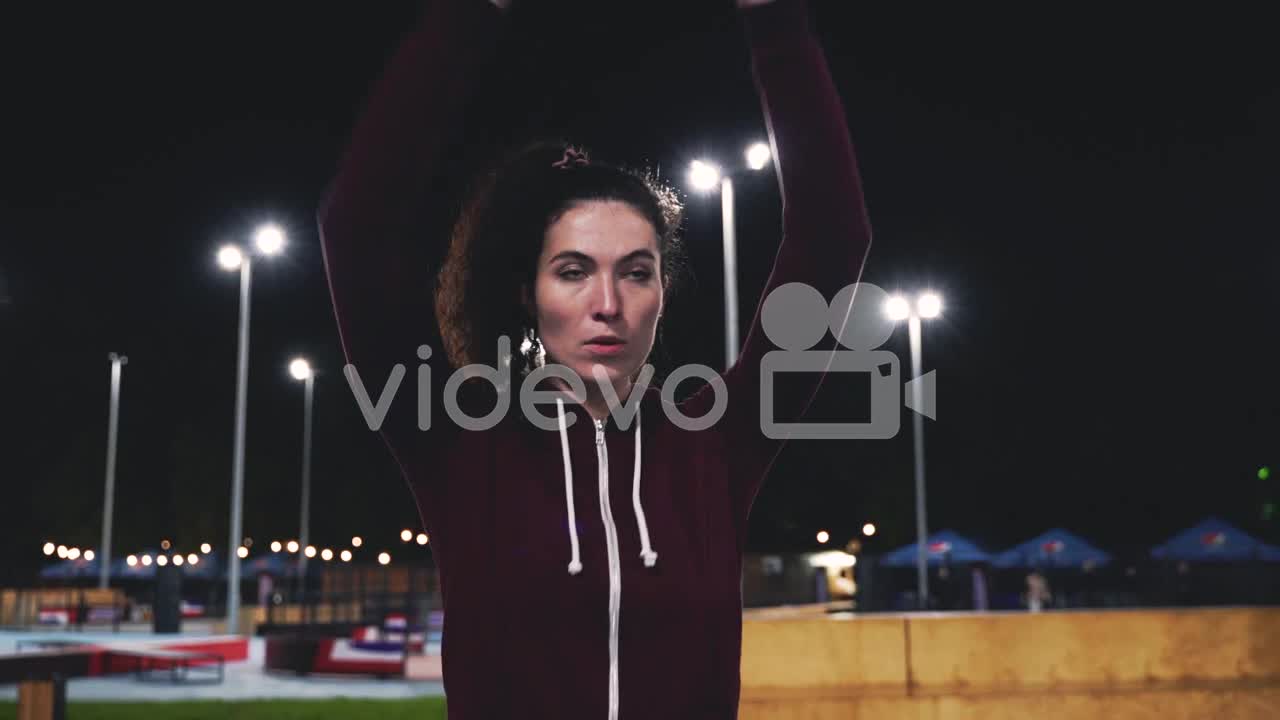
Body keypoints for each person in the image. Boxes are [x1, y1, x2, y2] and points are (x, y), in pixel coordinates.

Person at [318, 0, 872, 716]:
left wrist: (775, 21)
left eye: (636, 271)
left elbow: (832, 237)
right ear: (528, 293)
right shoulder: (458, 443)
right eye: (573, 271)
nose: (607, 301)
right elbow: (357, 229)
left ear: (663, 294)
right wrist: (471, 15)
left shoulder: (718, 445)